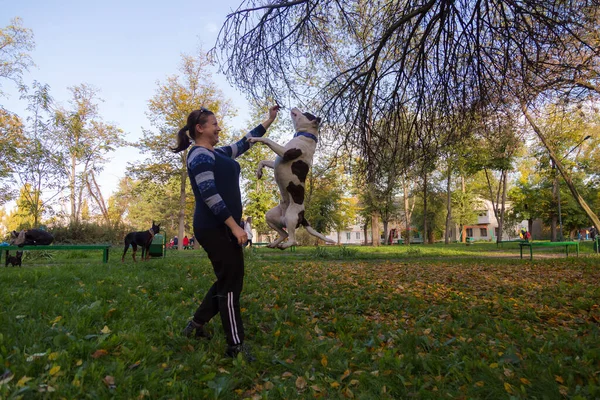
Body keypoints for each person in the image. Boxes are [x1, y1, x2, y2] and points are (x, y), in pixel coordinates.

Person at [172, 105, 280, 361]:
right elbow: (209, 194)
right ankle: (235, 345)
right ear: (200, 128)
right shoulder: (199, 155)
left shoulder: (217, 153)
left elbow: (245, 143)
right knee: (231, 284)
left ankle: (196, 325)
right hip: (214, 226)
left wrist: (269, 120)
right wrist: (234, 226)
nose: (218, 127)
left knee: (229, 278)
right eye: (214, 124)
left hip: (224, 226)